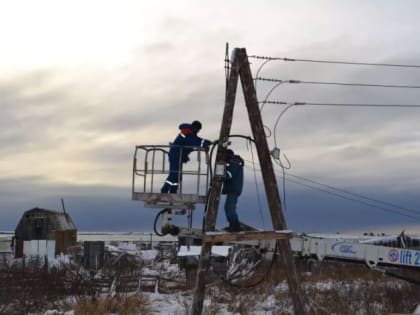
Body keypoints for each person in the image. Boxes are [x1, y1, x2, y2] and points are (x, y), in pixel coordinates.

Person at [161, 120, 212, 194]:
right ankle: (164, 190)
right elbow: (193, 141)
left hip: (178, 156)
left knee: (178, 175)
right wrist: (205, 144)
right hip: (175, 155)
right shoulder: (186, 131)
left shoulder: (190, 132)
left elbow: (197, 140)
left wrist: (207, 142)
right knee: (174, 174)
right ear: (196, 128)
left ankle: (173, 190)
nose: (198, 131)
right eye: (199, 130)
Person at [222, 149, 244, 232]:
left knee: (229, 208)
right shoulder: (234, 162)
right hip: (233, 188)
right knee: (228, 208)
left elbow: (230, 174)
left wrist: (222, 175)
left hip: (233, 189)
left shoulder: (233, 162)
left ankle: (235, 225)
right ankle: (233, 225)